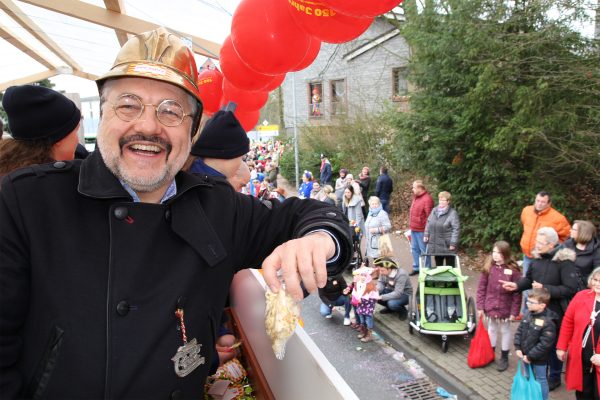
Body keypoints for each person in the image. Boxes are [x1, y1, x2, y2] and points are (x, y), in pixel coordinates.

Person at [0, 27, 352, 399]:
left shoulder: (218, 207)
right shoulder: (27, 200)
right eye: (129, 105)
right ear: (102, 115)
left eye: (171, 111)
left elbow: (316, 216)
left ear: (192, 129)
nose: (149, 126)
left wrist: (318, 240)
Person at [501, 226, 579, 391]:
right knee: (535, 340)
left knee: (552, 345)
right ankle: (539, 372)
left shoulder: (564, 262)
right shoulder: (537, 259)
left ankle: (555, 376)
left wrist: (546, 288)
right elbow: (528, 279)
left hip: (555, 312)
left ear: (551, 245)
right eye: (536, 240)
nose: (536, 244)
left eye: (540, 242)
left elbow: (570, 288)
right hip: (535, 309)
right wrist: (515, 285)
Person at [0, 85, 81, 178]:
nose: (77, 141)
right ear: (59, 138)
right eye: (75, 131)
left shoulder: (10, 177)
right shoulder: (59, 185)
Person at [476, 241, 522, 371]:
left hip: (505, 307)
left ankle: (504, 356)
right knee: (492, 328)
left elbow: (517, 294)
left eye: (499, 253)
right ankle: (490, 354)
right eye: (494, 252)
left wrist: (514, 312)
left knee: (505, 330)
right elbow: (481, 288)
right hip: (490, 305)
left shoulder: (514, 271)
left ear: (505, 254)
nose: (495, 255)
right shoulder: (488, 267)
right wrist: (480, 307)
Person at [556, 266, 600, 400]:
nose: (597, 284)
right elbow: (568, 321)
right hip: (581, 358)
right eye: (595, 279)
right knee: (582, 393)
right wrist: (561, 347)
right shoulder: (581, 296)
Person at [186, 109, 251, 192]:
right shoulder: (211, 189)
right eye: (240, 157)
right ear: (228, 155)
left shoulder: (192, 177)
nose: (240, 164)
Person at [513, 288, 558, 400]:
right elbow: (519, 331)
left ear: (542, 305)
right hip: (525, 355)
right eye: (528, 301)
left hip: (539, 358)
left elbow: (545, 344)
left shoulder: (548, 321)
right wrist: (518, 347)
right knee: (527, 376)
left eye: (531, 302)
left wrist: (530, 356)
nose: (528, 304)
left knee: (541, 379)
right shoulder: (528, 314)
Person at [520, 191, 571, 280]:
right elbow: (525, 226)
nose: (539, 204)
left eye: (543, 202)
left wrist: (551, 248)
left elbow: (567, 237)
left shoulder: (558, 218)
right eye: (537, 200)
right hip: (527, 255)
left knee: (540, 284)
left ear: (549, 203)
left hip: (544, 258)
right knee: (526, 281)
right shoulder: (526, 211)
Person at [424, 191, 460, 267]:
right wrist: (426, 234)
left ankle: (450, 279)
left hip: (447, 245)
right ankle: (439, 279)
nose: (441, 202)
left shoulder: (453, 213)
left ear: (448, 201)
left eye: (443, 200)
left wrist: (453, 243)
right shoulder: (434, 210)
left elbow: (456, 229)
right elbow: (428, 222)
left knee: (450, 268)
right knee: (438, 267)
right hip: (436, 245)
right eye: (440, 200)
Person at [346, 266, 379, 342]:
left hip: (367, 305)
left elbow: (374, 297)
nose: (363, 277)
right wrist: (356, 297)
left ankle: (369, 335)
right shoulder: (358, 283)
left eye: (365, 275)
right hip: (360, 305)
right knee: (362, 319)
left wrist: (362, 299)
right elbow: (355, 291)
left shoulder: (371, 285)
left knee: (368, 319)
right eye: (361, 275)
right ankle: (364, 332)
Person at [408, 180, 434, 275]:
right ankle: (417, 267)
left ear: (420, 188)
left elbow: (430, 217)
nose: (412, 189)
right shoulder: (416, 197)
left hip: (422, 230)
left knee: (424, 250)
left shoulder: (427, 199)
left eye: (414, 187)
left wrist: (427, 232)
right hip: (414, 228)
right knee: (414, 249)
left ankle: (427, 269)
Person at [364, 196, 392, 265]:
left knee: (380, 261)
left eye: (376, 204)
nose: (374, 205)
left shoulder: (382, 213)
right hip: (371, 241)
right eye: (372, 204)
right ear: (370, 204)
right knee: (376, 261)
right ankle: (379, 273)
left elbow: (388, 226)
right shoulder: (370, 213)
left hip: (379, 242)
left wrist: (376, 230)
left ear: (379, 204)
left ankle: (382, 274)